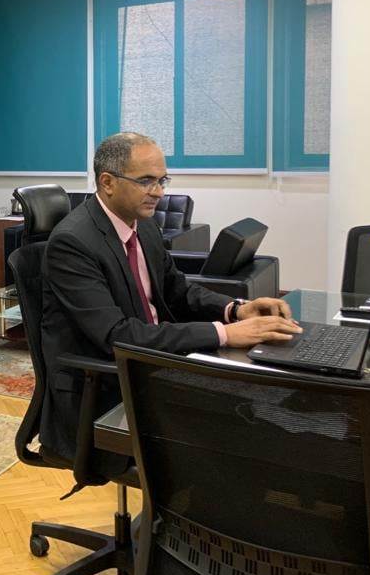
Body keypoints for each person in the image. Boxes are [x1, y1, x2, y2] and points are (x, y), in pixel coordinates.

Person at [40, 132, 301, 471]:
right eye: (146, 181)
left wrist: (236, 309)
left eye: (162, 180)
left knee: (270, 399)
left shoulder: (144, 226)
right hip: (106, 390)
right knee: (241, 427)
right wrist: (224, 334)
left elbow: (177, 290)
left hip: (153, 362)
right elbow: (118, 335)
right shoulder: (72, 243)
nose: (159, 192)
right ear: (107, 182)